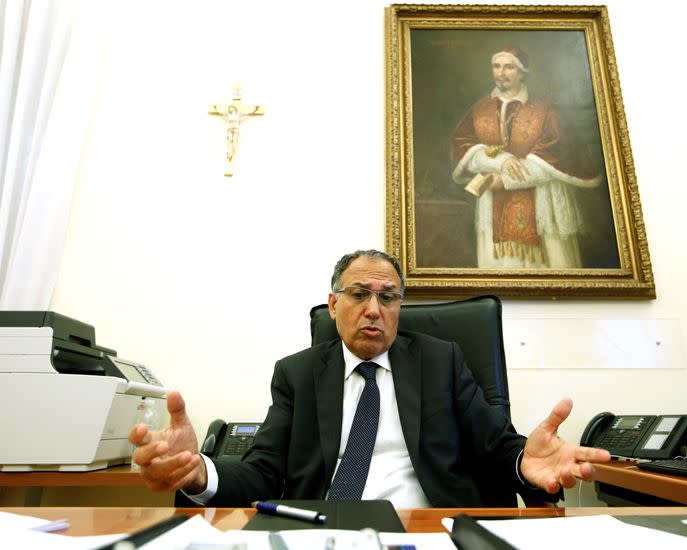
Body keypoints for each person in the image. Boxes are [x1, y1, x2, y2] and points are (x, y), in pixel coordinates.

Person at [129, 249, 610, 508]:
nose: (375, 309)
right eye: (360, 294)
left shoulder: (441, 361)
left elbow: (494, 443)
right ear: (333, 303)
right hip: (322, 531)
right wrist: (199, 471)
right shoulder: (297, 373)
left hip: (429, 527)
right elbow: (264, 471)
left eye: (389, 297)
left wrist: (526, 459)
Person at [451, 46, 602, 269]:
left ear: (522, 72)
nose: (501, 72)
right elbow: (464, 145)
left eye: (509, 67)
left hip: (541, 198)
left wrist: (504, 179)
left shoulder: (545, 110)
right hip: (492, 202)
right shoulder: (480, 109)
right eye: (497, 66)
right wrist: (500, 161)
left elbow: (557, 154)